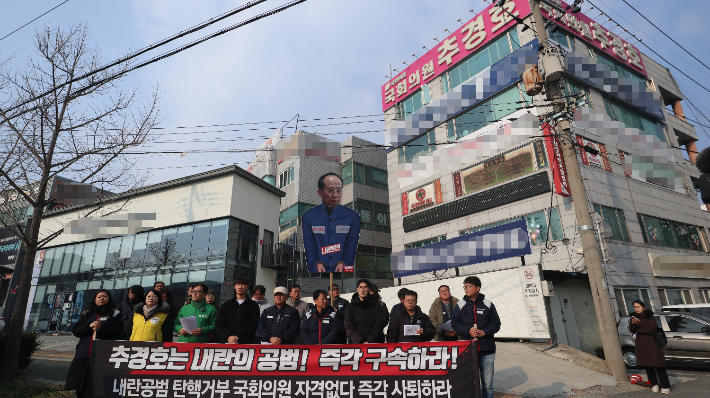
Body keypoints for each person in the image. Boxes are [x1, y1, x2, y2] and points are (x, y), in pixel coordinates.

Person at [65, 290, 123, 398]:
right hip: (84, 353)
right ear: (95, 300)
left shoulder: (114, 314)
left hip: (103, 354)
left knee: (99, 384)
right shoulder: (87, 313)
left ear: (109, 298)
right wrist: (89, 326)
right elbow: (76, 330)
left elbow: (118, 330)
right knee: (80, 383)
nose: (102, 298)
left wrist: (102, 328)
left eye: (104, 296)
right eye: (99, 296)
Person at [451, 276, 501, 398]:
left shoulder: (488, 304)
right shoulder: (460, 305)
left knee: (487, 384)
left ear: (478, 288)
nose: (466, 289)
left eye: (469, 286)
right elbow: (454, 323)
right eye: (465, 286)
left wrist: (484, 332)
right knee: (469, 383)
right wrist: (467, 331)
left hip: (487, 350)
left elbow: (496, 324)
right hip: (468, 350)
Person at [302, 173, 361, 273]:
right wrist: (317, 263)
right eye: (330, 190)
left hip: (342, 272)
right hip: (319, 271)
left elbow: (351, 246)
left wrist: (344, 263)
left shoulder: (352, 216)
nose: (335, 195)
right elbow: (309, 246)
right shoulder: (309, 216)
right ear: (320, 192)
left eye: (339, 190)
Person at [629, 300, 670, 394]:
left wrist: (639, 330)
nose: (636, 308)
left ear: (643, 308)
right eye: (635, 307)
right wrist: (633, 324)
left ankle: (665, 386)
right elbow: (632, 330)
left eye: (638, 307)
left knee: (658, 365)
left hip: (652, 344)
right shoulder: (633, 318)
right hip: (641, 344)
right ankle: (654, 384)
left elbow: (651, 330)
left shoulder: (649, 316)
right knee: (647, 365)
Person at [216, 276, 260, 344]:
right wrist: (228, 336)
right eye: (238, 284)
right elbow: (219, 323)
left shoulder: (253, 305)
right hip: (226, 342)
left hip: (246, 342)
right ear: (234, 287)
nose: (240, 287)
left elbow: (253, 324)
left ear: (247, 286)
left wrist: (238, 337)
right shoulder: (226, 305)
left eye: (243, 284)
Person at [344, 279, 388, 344]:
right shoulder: (350, 307)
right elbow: (349, 326)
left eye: (365, 287)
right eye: (361, 287)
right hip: (355, 345)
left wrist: (369, 342)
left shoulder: (376, 306)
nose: (363, 290)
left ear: (369, 290)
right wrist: (360, 341)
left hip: (374, 344)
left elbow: (379, 325)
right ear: (357, 289)